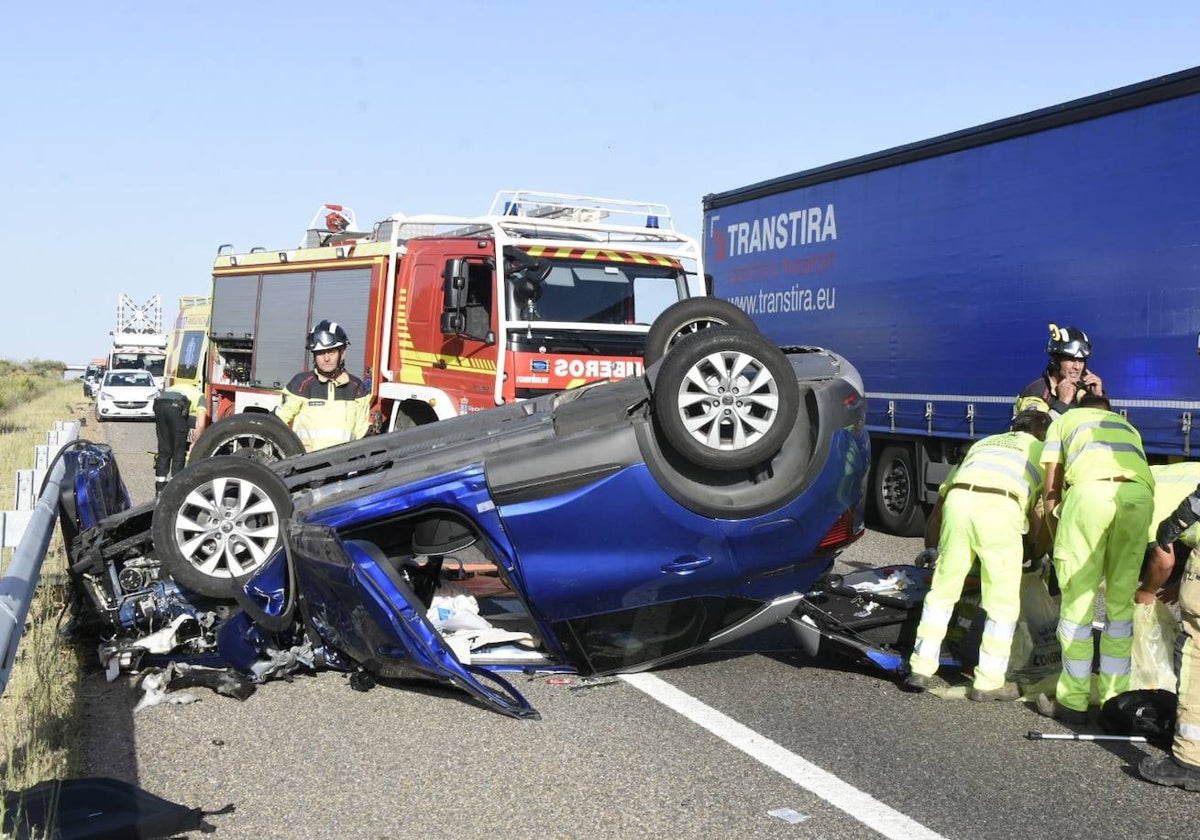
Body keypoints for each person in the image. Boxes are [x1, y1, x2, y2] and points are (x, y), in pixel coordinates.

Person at [902, 407, 1053, 700]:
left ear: (1014, 427)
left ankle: (921, 668)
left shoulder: (985, 442)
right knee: (1002, 602)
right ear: (1042, 435)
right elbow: (1039, 517)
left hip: (960, 502)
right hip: (1000, 508)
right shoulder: (1042, 452)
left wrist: (933, 547)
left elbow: (943, 501)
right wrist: (1037, 551)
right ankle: (988, 682)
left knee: (943, 591)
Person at [1034, 393, 1154, 723]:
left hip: (1090, 496)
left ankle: (1072, 701)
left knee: (1077, 606)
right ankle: (1116, 704)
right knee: (1119, 607)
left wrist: (1058, 540)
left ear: (1077, 409)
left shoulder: (1064, 422)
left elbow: (1052, 488)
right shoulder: (1127, 427)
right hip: (1139, 498)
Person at [1139, 470, 1200, 790]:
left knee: (1195, 656)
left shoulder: (1149, 501)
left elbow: (1163, 558)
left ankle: (1189, 760)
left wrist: (1173, 526)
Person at [274, 319, 370, 452]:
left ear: (342, 353)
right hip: (305, 466)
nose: (326, 358)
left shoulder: (356, 388)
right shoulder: (302, 384)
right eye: (320, 353)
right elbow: (275, 424)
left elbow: (362, 435)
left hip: (344, 467)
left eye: (331, 352)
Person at [1017, 323, 1105, 418]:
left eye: (1081, 360)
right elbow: (1035, 430)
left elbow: (1099, 429)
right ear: (1055, 361)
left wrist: (1098, 399)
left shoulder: (1085, 391)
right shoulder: (1035, 393)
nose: (1077, 367)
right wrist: (1062, 404)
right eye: (1071, 359)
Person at [153, 381, 208, 495]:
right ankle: (175, 488)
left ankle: (159, 488)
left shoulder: (177, 387)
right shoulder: (201, 396)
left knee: (164, 450)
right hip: (176, 406)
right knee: (179, 450)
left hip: (159, 403)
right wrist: (196, 442)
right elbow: (201, 424)